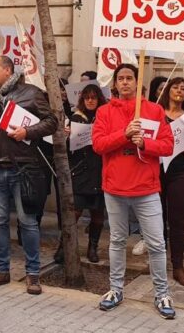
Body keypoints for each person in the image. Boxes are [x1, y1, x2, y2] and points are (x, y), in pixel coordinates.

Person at [0, 55, 58, 295]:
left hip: (23, 168)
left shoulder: (30, 93)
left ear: (8, 71)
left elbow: (52, 122)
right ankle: (1, 270)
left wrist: (27, 131)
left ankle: (33, 273)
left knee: (27, 222)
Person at [92, 63, 176, 319]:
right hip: (115, 188)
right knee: (117, 241)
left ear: (138, 83)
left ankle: (162, 294)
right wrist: (124, 135)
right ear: (115, 84)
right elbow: (98, 145)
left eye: (130, 78)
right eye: (121, 78)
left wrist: (146, 144)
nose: (125, 82)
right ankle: (116, 289)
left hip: (146, 189)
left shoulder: (154, 110)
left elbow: (168, 146)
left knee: (156, 243)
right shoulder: (104, 111)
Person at [157, 77, 184, 288]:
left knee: (177, 220)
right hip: (156, 170)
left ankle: (178, 267)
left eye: (183, 88)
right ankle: (158, 264)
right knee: (157, 220)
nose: (179, 91)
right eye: (175, 87)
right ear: (168, 90)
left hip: (179, 172)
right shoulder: (156, 112)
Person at [67, 84, 107, 263]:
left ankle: (92, 248)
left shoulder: (104, 117)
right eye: (87, 97)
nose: (90, 101)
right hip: (81, 171)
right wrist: (67, 136)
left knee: (97, 215)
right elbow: (68, 150)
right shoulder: (75, 117)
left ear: (99, 99)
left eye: (94, 97)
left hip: (99, 170)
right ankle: (64, 248)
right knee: (74, 212)